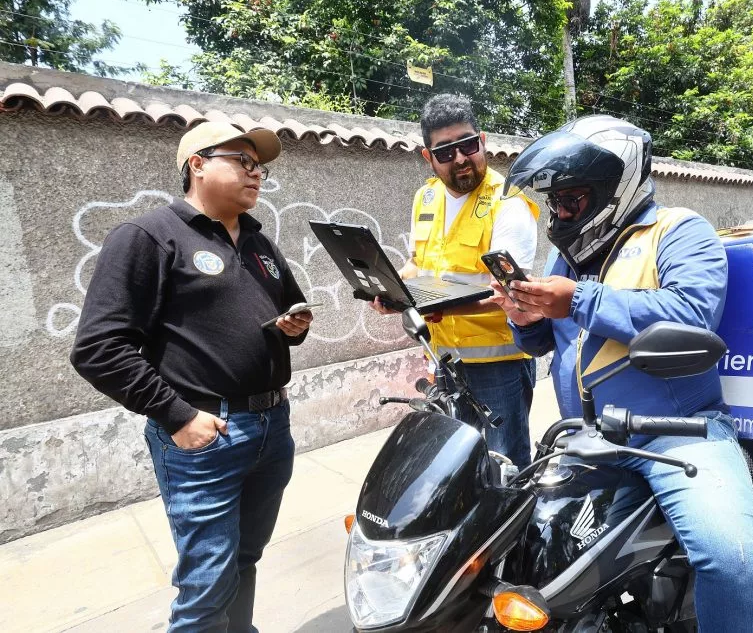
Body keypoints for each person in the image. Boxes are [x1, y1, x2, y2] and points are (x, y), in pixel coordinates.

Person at [490, 116, 753, 631]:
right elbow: (548, 342)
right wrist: (526, 318)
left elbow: (692, 312)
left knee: (734, 560)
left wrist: (575, 299)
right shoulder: (567, 258)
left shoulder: (679, 230)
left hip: (677, 434)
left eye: (570, 199)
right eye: (553, 203)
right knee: (530, 561)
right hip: (585, 440)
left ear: (612, 188)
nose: (559, 213)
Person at [70, 121, 312, 631]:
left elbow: (286, 311)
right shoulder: (149, 237)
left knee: (245, 561)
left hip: (272, 428)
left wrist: (294, 326)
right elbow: (98, 348)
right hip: (207, 436)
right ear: (197, 164)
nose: (256, 174)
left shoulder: (259, 242)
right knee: (206, 585)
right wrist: (178, 416)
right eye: (242, 161)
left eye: (260, 166)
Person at [370, 94, 539, 469]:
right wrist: (395, 288)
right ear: (427, 157)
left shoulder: (508, 203)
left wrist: (436, 304)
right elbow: (420, 264)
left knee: (503, 468)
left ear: (482, 142)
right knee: (456, 469)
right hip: (445, 360)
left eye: (467, 145)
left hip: (500, 365)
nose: (460, 158)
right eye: (445, 152)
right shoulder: (425, 198)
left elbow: (511, 292)